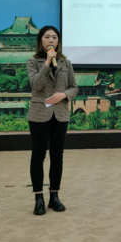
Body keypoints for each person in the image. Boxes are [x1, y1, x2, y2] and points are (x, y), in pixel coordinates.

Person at [26, 26, 78, 215]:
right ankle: (38, 197)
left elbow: (74, 87)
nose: (51, 40)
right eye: (47, 37)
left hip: (60, 114)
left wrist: (63, 95)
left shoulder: (66, 63)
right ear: (40, 40)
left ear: (58, 41)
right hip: (39, 114)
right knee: (38, 156)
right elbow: (37, 85)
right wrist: (47, 62)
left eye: (54, 37)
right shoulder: (33, 62)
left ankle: (54, 196)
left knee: (57, 157)